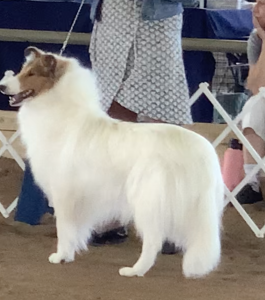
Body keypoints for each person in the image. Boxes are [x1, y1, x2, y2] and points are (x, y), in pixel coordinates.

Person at [88, 0, 195, 252]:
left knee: (165, 123)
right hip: (112, 21)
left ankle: (172, 223)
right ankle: (112, 215)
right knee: (112, 119)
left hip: (155, 22)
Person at [237, 0, 265, 204]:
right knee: (253, 105)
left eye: (262, 4)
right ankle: (251, 182)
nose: (255, 10)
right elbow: (256, 86)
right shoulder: (256, 39)